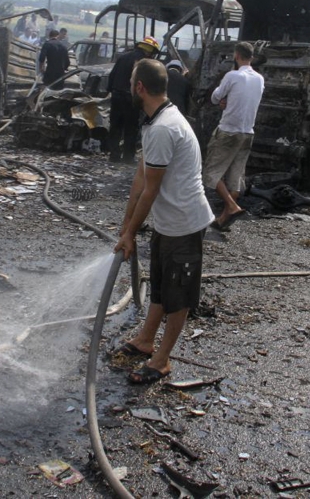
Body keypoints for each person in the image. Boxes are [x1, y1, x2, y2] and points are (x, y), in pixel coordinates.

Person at [112, 58, 214, 384]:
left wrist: (130, 233)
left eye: (131, 81)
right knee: (159, 286)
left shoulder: (163, 127)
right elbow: (140, 181)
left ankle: (162, 360)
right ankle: (145, 340)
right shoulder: (154, 122)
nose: (130, 86)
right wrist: (126, 227)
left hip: (184, 223)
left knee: (178, 296)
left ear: (139, 87)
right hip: (168, 222)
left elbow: (150, 191)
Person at [204, 43, 265, 230]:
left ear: (236, 55)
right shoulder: (260, 79)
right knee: (236, 176)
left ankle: (231, 206)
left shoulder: (232, 75)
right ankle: (223, 219)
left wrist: (223, 99)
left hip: (229, 130)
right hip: (248, 132)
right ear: (252, 57)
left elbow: (215, 98)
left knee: (210, 173)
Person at [107, 37, 159, 163]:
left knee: (116, 126)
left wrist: (110, 91)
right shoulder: (144, 63)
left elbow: (112, 75)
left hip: (117, 95)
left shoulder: (123, 57)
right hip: (131, 98)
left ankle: (114, 155)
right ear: (150, 51)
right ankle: (128, 157)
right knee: (131, 127)